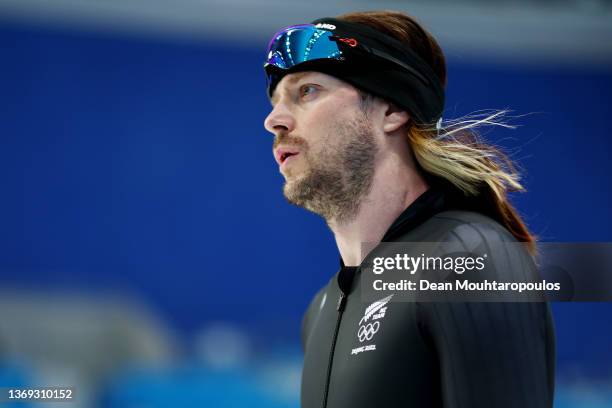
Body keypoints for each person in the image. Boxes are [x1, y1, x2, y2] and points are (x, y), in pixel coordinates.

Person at [262, 10, 555, 408]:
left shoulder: (468, 258)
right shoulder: (321, 311)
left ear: (391, 110)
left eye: (307, 91)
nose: (273, 120)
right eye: (275, 100)